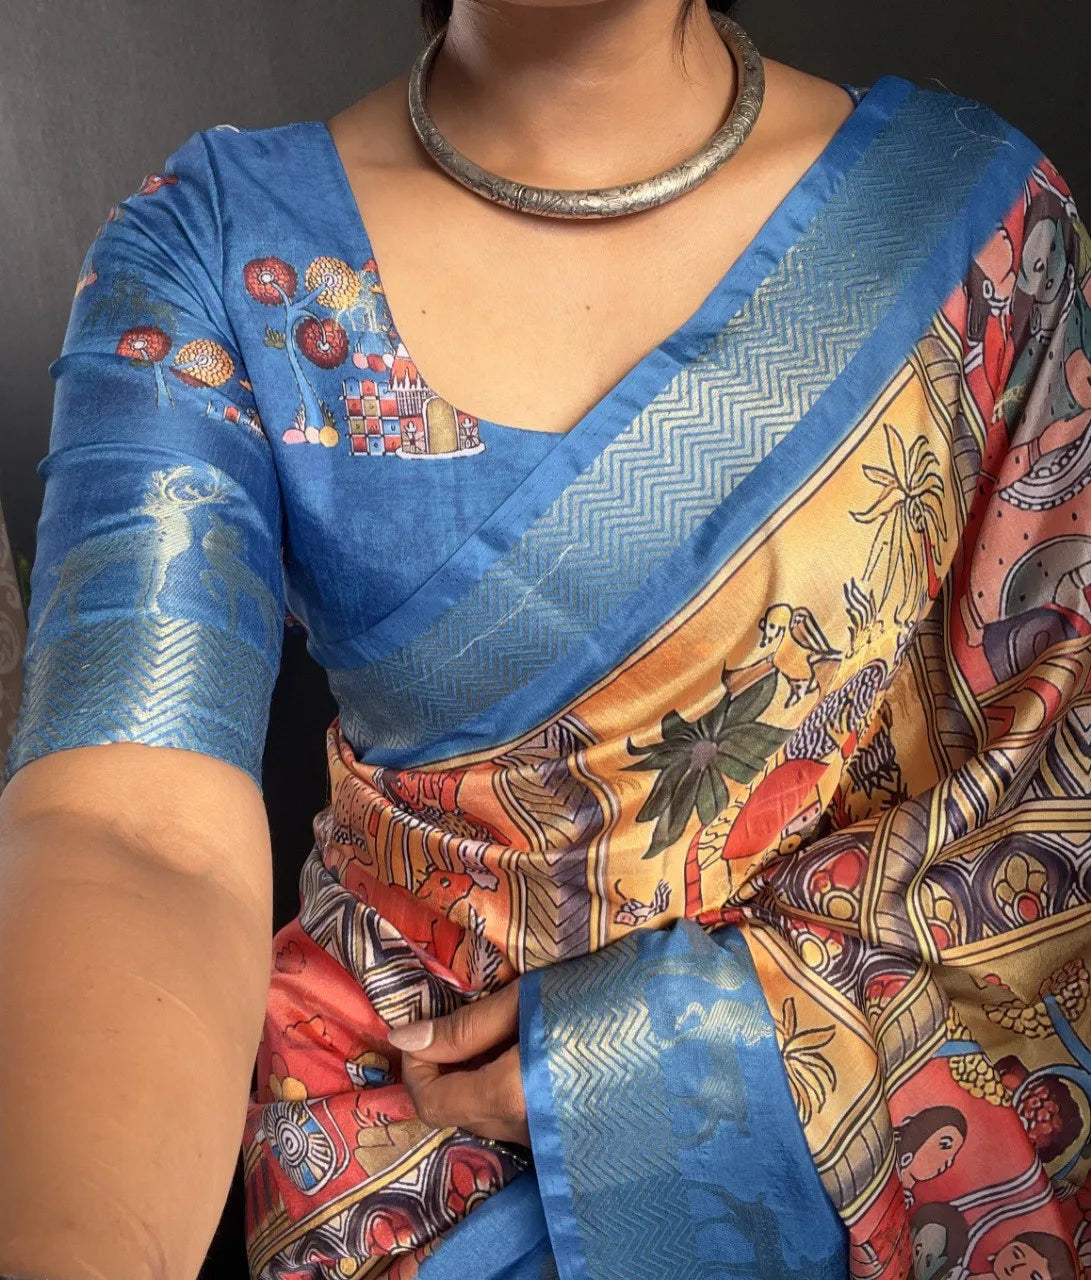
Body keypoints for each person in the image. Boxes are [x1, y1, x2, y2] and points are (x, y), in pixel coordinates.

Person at [1, 0, 1089, 1277]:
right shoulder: (217, 252)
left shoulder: (970, 222)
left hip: (848, 1172)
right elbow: (132, 828)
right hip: (407, 1155)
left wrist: (661, 1057)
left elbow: (1059, 792)